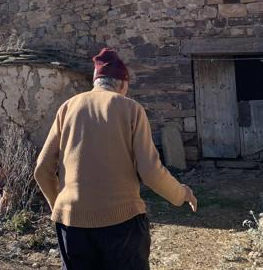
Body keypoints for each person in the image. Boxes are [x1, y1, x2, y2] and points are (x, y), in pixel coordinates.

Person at [34, 48, 197, 270]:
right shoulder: (130, 108)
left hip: (71, 227)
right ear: (122, 84)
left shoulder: (67, 108)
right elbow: (150, 171)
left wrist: (62, 208)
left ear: (95, 81)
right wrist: (181, 194)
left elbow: (42, 169)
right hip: (122, 226)